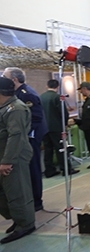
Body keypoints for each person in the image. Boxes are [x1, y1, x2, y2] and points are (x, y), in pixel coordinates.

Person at [3, 67, 48, 212]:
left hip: (30, 138)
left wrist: (24, 136)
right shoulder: (15, 94)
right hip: (24, 137)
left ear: (14, 80)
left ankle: (36, 201)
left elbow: (35, 118)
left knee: (32, 168)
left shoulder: (26, 94)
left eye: (4, 76)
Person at [0, 77, 36, 244]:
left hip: (14, 156)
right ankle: (17, 218)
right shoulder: (5, 108)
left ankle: (26, 224)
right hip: (5, 155)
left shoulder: (15, 109)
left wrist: (7, 161)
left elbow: (16, 136)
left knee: (18, 191)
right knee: (6, 192)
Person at [40, 79, 78, 177]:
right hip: (56, 127)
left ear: (46, 86)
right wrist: (65, 124)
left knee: (48, 150)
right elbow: (63, 113)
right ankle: (66, 169)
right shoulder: (58, 97)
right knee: (61, 148)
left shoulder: (41, 97)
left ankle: (49, 170)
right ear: (57, 87)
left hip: (44, 127)